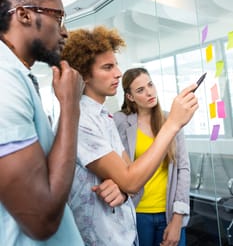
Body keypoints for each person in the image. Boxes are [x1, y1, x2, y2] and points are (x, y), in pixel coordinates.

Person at [61, 25, 198, 246]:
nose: (118, 73)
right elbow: (132, 180)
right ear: (85, 75)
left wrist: (123, 191)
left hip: (124, 235)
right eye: (107, 67)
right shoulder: (81, 119)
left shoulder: (104, 117)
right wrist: (173, 123)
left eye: (116, 65)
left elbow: (130, 178)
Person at [0, 0, 85, 245]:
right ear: (24, 15)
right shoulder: (3, 76)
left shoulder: (16, 73)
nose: (65, 31)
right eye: (58, 17)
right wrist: (70, 108)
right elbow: (41, 219)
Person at [114, 67, 190, 246]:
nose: (149, 92)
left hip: (169, 212)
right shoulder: (119, 122)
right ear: (130, 97)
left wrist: (177, 219)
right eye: (140, 90)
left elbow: (183, 168)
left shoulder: (170, 120)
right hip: (137, 214)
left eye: (150, 85)